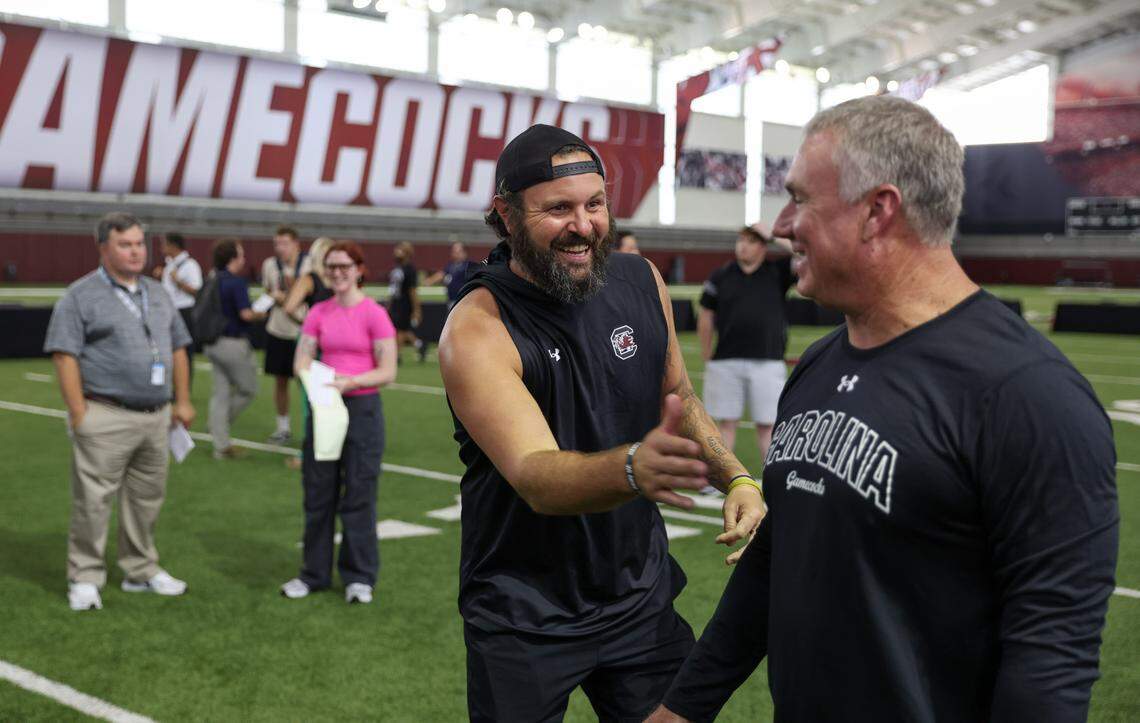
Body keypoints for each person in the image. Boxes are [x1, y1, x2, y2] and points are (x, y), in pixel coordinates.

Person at [652, 96, 1119, 722]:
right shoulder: (817, 365)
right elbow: (773, 559)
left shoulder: (1029, 396)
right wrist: (682, 708)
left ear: (878, 210)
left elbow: (1051, 660)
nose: (784, 224)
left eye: (800, 199)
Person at [438, 124, 765, 722]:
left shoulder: (641, 281)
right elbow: (535, 475)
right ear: (506, 216)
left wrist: (738, 478)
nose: (583, 225)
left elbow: (679, 396)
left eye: (595, 204)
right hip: (523, 616)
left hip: (639, 600)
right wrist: (636, 466)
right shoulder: (477, 327)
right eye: (557, 208)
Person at [44, 211, 196, 611]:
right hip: (106, 412)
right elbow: (64, 354)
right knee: (93, 501)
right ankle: (85, 575)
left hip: (156, 415)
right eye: (125, 244)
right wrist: (80, 414)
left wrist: (182, 399)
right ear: (103, 248)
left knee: (147, 499)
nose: (135, 252)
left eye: (140, 244)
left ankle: (140, 570)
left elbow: (178, 346)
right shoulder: (80, 294)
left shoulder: (158, 292)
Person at [281, 241, 397, 604]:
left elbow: (388, 371)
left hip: (362, 412)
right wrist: (313, 378)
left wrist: (351, 382)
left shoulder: (374, 313)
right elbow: (301, 358)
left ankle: (359, 577)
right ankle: (312, 574)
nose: (337, 273)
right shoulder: (318, 311)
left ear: (359, 269)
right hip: (325, 410)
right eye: (331, 267)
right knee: (318, 496)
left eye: (345, 266)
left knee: (359, 497)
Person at [697, 224, 793, 462]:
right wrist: (707, 352)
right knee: (725, 424)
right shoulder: (721, 275)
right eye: (740, 240)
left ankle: (773, 482)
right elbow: (706, 314)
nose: (742, 246)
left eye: (750, 241)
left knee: (768, 426)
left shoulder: (777, 272)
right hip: (726, 361)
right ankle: (718, 478)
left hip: (768, 362)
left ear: (762, 247)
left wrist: (774, 235)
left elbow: (804, 254)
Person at [204, 238, 266, 460]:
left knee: (220, 393)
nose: (244, 259)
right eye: (240, 255)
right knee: (248, 390)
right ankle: (217, 426)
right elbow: (245, 314)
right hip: (232, 343)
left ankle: (220, 446)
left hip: (211, 342)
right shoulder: (236, 283)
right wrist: (263, 313)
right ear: (233, 258)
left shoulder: (212, 279)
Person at [279, 236, 335, 471]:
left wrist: (306, 324)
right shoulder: (336, 279)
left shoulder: (311, 279)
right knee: (327, 400)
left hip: (315, 345)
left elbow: (289, 306)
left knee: (312, 402)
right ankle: (321, 451)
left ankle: (310, 454)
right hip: (334, 345)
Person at [260, 226, 311, 443]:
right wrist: (276, 295)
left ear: (296, 244)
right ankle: (283, 427)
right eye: (277, 244)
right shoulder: (270, 265)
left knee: (309, 383)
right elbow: (266, 289)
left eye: (284, 243)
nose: (280, 248)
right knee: (281, 381)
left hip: (305, 332)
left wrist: (291, 295)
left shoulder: (309, 264)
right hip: (278, 329)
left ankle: (313, 429)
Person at [151, 232, 202, 381]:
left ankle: (183, 388)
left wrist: (177, 280)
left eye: (164, 244)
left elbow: (196, 291)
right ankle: (167, 384)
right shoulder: (170, 264)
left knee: (184, 352)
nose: (161, 248)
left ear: (173, 245)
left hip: (184, 312)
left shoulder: (190, 265)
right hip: (168, 311)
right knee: (165, 349)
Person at [387, 241, 424, 362]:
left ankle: (397, 355)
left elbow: (412, 291)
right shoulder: (397, 267)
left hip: (405, 303)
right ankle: (420, 345)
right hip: (396, 302)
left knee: (401, 329)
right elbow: (393, 289)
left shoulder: (410, 270)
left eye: (400, 250)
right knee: (400, 328)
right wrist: (389, 303)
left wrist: (416, 309)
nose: (396, 252)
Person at [424, 240, 480, 310]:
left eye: (457, 251)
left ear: (464, 253)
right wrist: (430, 281)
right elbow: (442, 274)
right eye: (453, 251)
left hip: (463, 301)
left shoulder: (468, 266)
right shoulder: (451, 266)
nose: (454, 253)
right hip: (451, 300)